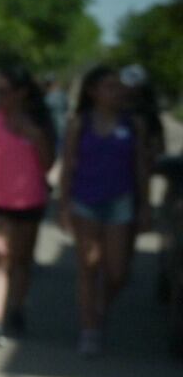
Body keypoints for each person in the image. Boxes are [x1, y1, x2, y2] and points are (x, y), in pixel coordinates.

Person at [59, 64, 153, 356]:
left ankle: (101, 305)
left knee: (118, 272)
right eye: (109, 86)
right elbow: (68, 166)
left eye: (117, 86)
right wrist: (64, 204)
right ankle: (89, 327)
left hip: (120, 202)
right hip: (85, 200)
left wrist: (145, 205)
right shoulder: (80, 123)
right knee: (88, 265)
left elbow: (140, 167)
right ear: (93, 92)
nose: (116, 92)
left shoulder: (132, 124)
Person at [0, 65, 55, 335]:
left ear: (21, 93)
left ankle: (17, 306)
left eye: (4, 92)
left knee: (21, 260)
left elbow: (48, 164)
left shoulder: (38, 123)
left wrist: (34, 137)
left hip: (29, 201)